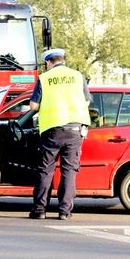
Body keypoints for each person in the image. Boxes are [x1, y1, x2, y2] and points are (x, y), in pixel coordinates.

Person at [29, 48, 91, 220]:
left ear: (49, 62)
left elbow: (33, 106)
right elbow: (86, 101)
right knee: (69, 171)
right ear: (63, 60)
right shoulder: (78, 76)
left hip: (52, 131)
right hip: (74, 131)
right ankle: (64, 212)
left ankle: (40, 210)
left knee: (45, 170)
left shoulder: (44, 78)